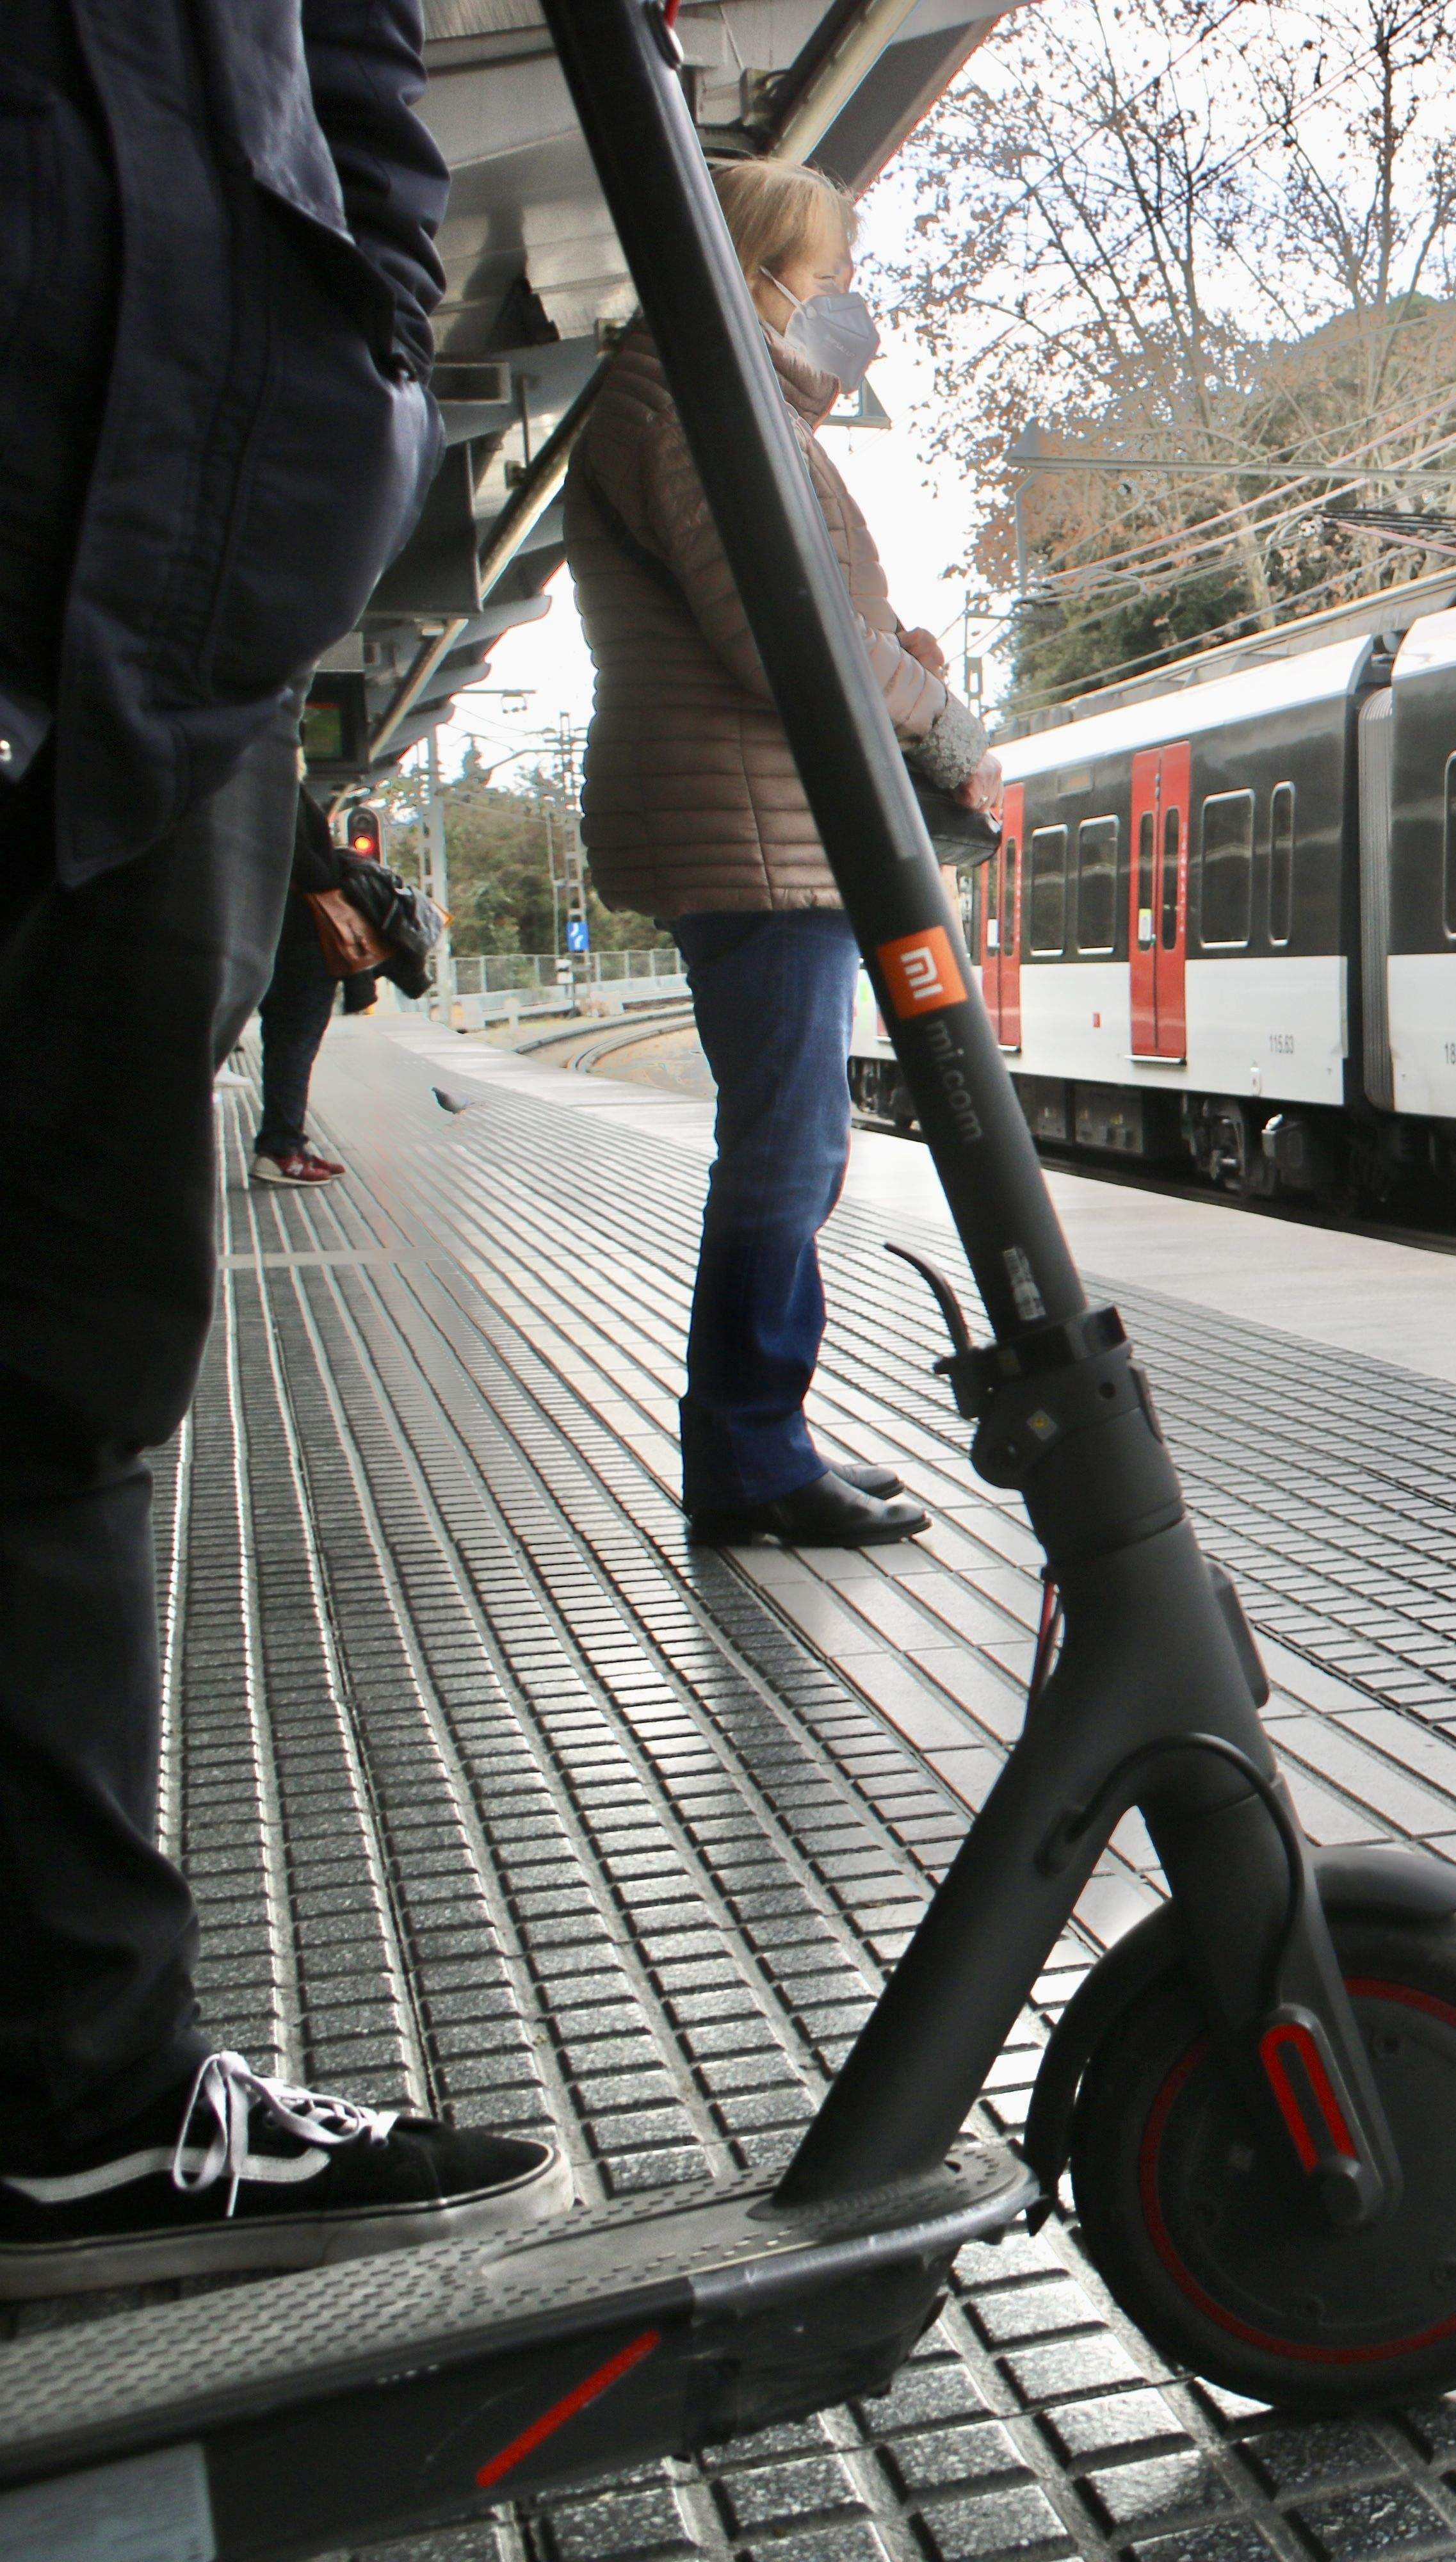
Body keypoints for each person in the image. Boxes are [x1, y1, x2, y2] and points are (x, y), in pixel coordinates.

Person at [0, 0, 569, 2296]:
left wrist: (347, 342)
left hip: (162, 635)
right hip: (115, 549)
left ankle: (78, 2097)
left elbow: (347, 73)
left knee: (67, 1385)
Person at [567, 156, 994, 1551]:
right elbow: (780, 632)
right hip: (748, 820)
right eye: (815, 274)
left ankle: (767, 1436)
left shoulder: (710, 398)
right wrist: (938, 710)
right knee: (788, 1146)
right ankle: (750, 1455)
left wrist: (901, 668)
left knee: (792, 1143)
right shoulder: (692, 403)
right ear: (754, 267)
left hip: (765, 813)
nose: (835, 299)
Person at [250, 790, 359, 1188]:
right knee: (293, 1046)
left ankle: (288, 1144)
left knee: (286, 1044)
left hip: (276, 934)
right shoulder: (277, 784)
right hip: (299, 938)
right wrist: (343, 871)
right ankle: (281, 1151)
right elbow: (298, 859)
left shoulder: (257, 782)